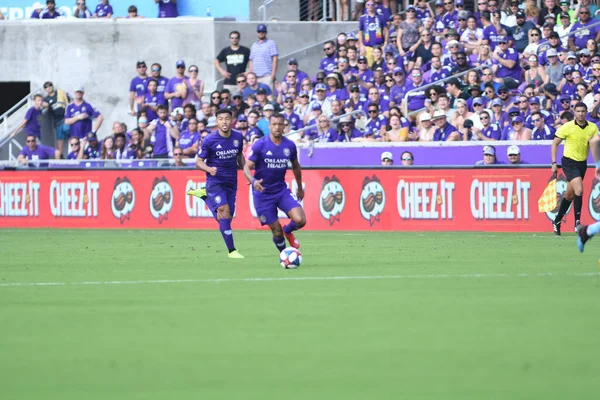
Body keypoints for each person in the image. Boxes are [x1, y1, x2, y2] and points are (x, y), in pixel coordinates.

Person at [186, 109, 245, 259]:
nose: (224, 122)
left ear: (232, 120)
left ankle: (205, 197)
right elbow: (198, 161)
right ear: (216, 121)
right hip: (215, 181)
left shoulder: (238, 137)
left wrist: (246, 171)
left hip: (231, 181)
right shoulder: (210, 140)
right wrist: (209, 169)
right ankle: (232, 251)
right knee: (224, 212)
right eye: (220, 119)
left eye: (227, 118)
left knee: (225, 218)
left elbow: (239, 156)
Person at [243, 113, 306, 254]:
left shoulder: (289, 145)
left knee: (300, 220)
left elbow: (296, 166)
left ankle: (288, 231)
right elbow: (246, 167)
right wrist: (253, 181)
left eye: (280, 124)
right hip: (263, 194)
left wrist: (300, 188)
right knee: (276, 231)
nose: (277, 127)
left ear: (284, 126)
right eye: (274, 124)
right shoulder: (260, 144)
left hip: (281, 191)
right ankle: (284, 254)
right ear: (269, 126)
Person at [551, 102, 599, 235]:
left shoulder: (592, 128)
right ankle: (577, 223)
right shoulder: (567, 127)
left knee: (569, 195)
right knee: (579, 189)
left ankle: (557, 220)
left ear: (586, 112)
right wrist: (554, 162)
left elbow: (596, 144)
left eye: (583, 111)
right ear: (574, 113)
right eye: (578, 111)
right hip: (569, 162)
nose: (581, 114)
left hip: (581, 163)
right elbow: (555, 143)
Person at [249, 24, 279, 91]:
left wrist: (272, 75)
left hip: (267, 77)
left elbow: (275, 59)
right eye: (259, 31)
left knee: (269, 99)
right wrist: (251, 75)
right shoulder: (253, 45)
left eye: (262, 31)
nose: (261, 33)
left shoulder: (271, 43)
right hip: (255, 78)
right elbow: (251, 61)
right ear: (257, 32)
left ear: (266, 32)